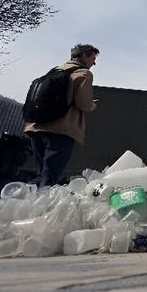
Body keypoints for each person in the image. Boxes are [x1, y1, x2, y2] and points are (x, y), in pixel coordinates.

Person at [24, 43, 99, 187]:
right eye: (93, 58)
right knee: (49, 178)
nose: (94, 63)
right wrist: (92, 105)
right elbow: (84, 103)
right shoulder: (83, 74)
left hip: (36, 128)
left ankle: (29, 203)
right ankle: (42, 207)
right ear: (84, 55)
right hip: (61, 131)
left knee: (41, 174)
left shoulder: (54, 71)